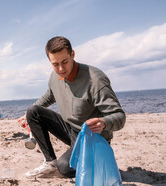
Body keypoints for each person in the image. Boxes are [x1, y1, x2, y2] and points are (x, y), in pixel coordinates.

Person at [18, 36, 126, 178]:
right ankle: (50, 162)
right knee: (33, 111)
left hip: (93, 136)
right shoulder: (55, 76)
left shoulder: (96, 80)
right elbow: (50, 95)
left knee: (65, 167)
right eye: (55, 64)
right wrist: (28, 116)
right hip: (71, 130)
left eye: (64, 62)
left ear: (72, 54)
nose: (61, 68)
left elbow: (119, 116)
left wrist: (104, 122)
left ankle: (97, 162)